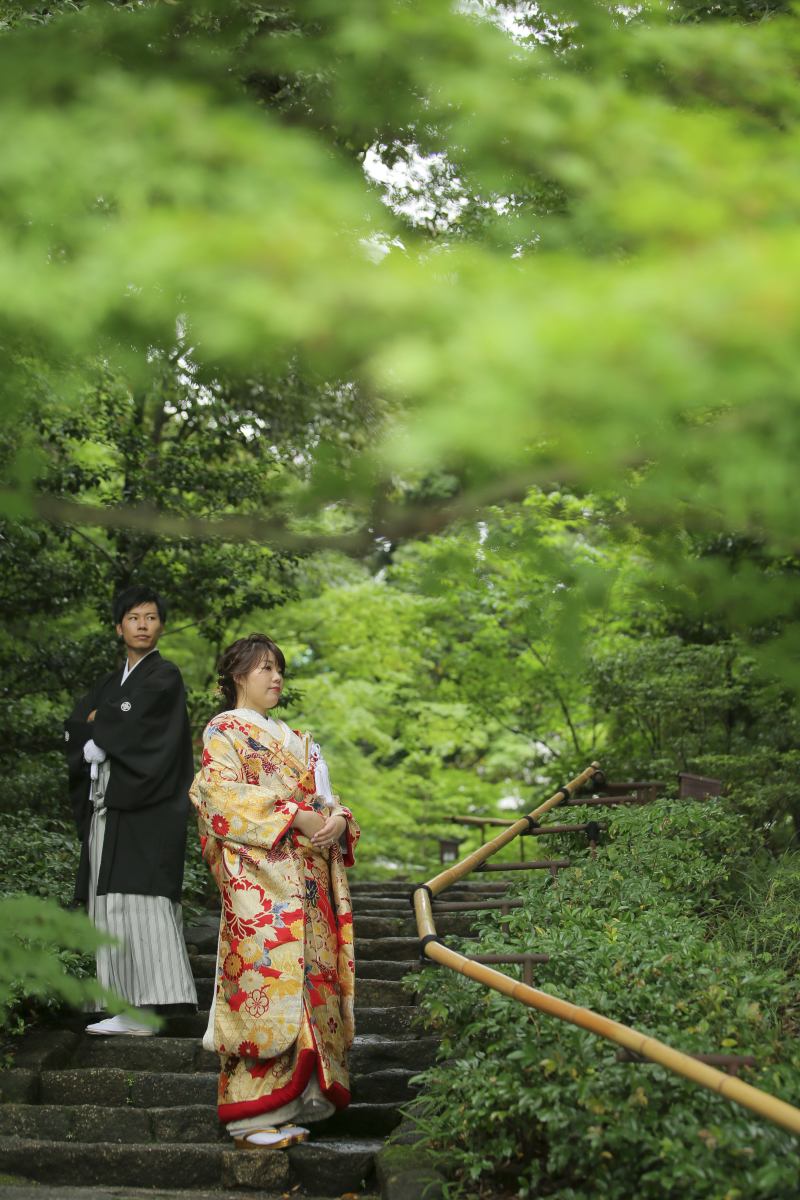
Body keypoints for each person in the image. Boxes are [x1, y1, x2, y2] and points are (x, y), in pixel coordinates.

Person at [190, 633, 359, 1149]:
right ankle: (249, 1117)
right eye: (264, 667)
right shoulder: (224, 730)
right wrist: (294, 816)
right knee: (263, 987)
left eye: (279, 668)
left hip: (309, 882)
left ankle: (291, 1104)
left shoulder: (299, 740)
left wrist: (337, 819)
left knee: (308, 986)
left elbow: (326, 800)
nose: (276, 676)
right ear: (237, 676)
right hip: (261, 881)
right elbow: (218, 796)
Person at [63, 584, 198, 1035]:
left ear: (161, 626)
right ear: (119, 627)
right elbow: (78, 722)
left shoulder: (165, 675)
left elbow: (127, 724)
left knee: (142, 901)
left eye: (151, 617)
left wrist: (103, 727)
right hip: (108, 807)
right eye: (134, 618)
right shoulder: (108, 683)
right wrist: (103, 726)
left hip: (148, 808)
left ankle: (149, 1008)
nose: (143, 625)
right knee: (109, 904)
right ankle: (121, 1004)